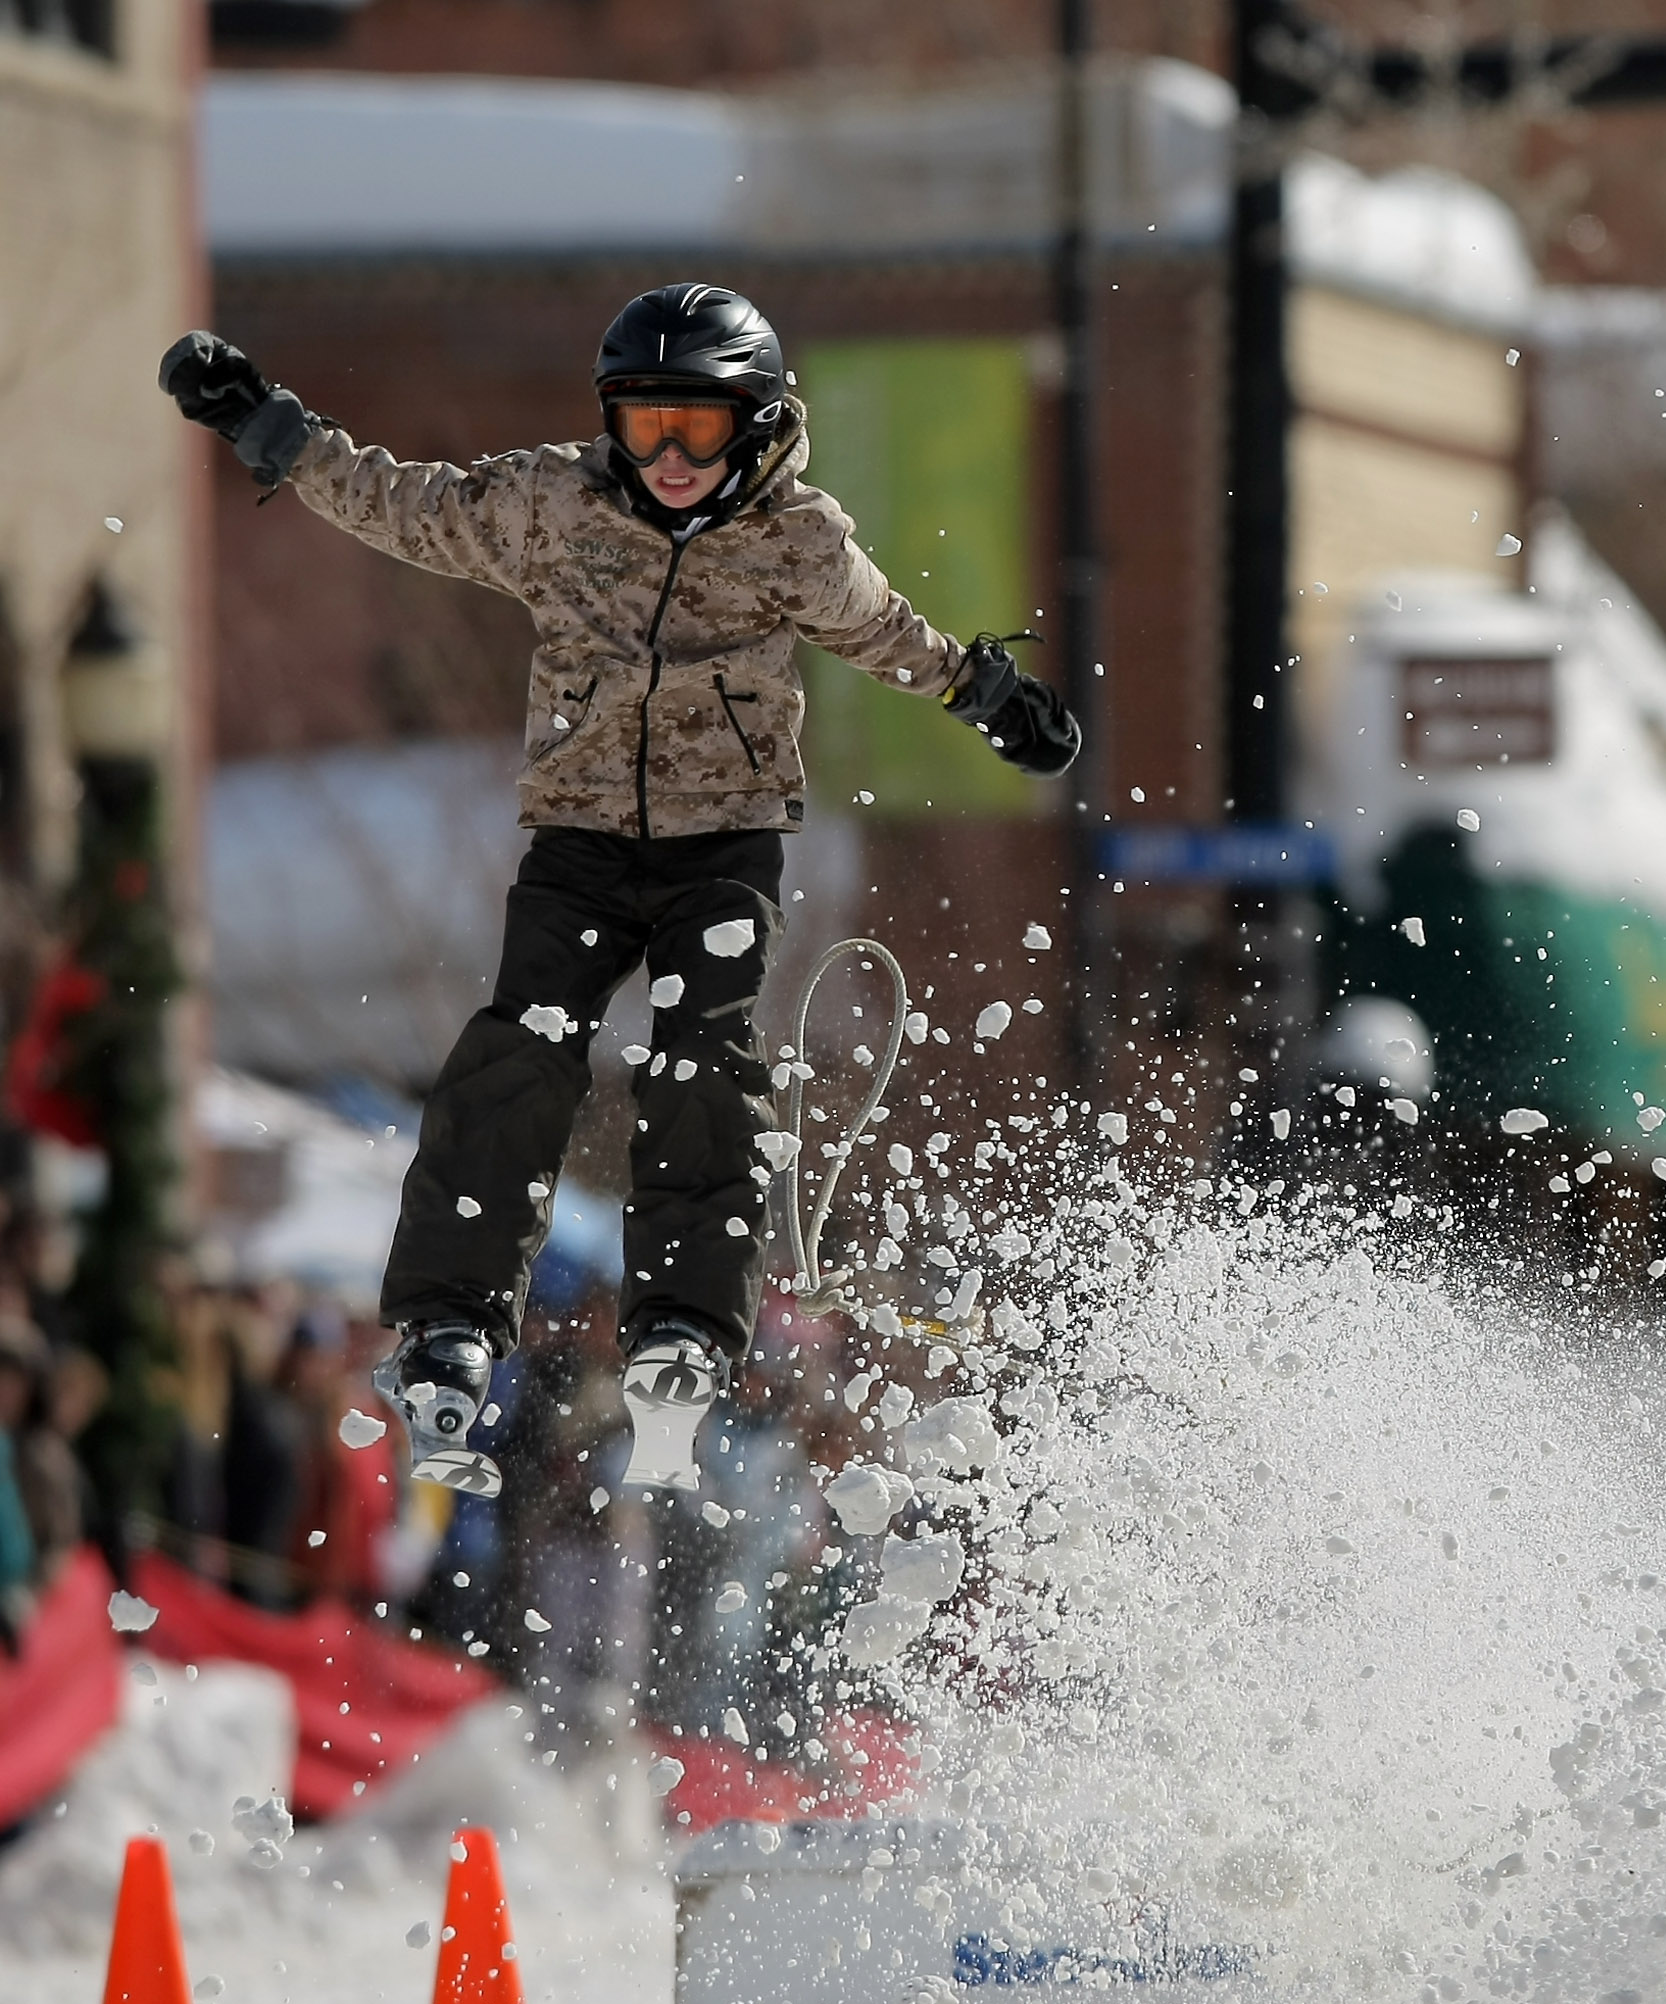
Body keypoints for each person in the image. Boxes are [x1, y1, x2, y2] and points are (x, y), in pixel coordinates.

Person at [158, 284, 1079, 1495]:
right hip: (580, 840)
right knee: (519, 1048)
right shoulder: (555, 503)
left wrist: (986, 695)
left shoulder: (794, 538)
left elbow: (880, 629)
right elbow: (404, 505)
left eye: (695, 431)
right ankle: (449, 1314)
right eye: (644, 427)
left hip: (725, 847)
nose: (668, 459)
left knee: (703, 1059)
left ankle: (684, 1321)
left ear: (752, 424)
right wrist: (268, 426)